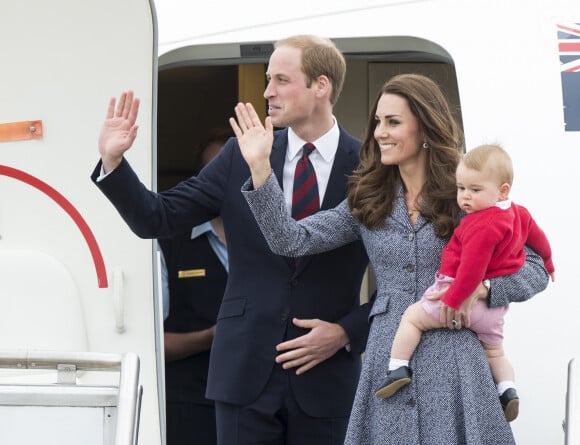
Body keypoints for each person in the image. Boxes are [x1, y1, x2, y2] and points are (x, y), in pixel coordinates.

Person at [231, 73, 550, 444]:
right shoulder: (368, 198)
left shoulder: (467, 194)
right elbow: (290, 240)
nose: (380, 132)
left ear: (425, 128)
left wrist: (484, 287)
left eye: (393, 122)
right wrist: (260, 169)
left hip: (458, 365)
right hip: (390, 363)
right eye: (378, 122)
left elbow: (536, 268)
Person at [93, 35, 371, 444]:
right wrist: (113, 162)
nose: (267, 92)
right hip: (244, 375)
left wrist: (346, 332)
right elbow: (158, 217)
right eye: (266, 79)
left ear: (321, 86)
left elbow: (404, 280)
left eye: (280, 80)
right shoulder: (238, 154)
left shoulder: (370, 169)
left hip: (327, 378)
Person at [374, 143, 556, 424]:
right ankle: (508, 390)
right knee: (495, 351)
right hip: (493, 311)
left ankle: (397, 367)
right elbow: (539, 239)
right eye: (461, 188)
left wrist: (452, 299)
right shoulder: (518, 213)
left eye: (474, 190)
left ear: (503, 190)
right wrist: (550, 262)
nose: (465, 197)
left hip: (457, 295)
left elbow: (472, 270)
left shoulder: (481, 224)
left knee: (412, 318)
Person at [160, 133, 230, 445]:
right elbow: (150, 344)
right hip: (188, 405)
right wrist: (208, 338)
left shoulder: (275, 240)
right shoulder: (168, 244)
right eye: (215, 172)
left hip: (261, 407)